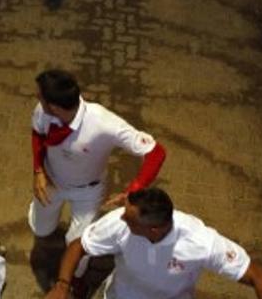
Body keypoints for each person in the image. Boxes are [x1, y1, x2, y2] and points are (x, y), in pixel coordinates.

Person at [29, 69, 166, 285]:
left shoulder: (104, 123)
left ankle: (73, 282)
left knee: (78, 243)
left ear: (54, 106)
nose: (36, 99)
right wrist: (38, 171)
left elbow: (156, 152)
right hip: (51, 181)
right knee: (41, 228)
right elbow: (37, 133)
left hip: (87, 192)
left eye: (40, 96)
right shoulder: (43, 111)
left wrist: (135, 189)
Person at [46, 188, 262, 299]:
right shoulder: (120, 222)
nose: (121, 217)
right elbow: (79, 246)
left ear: (154, 229)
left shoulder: (199, 241)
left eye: (129, 219)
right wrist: (62, 286)